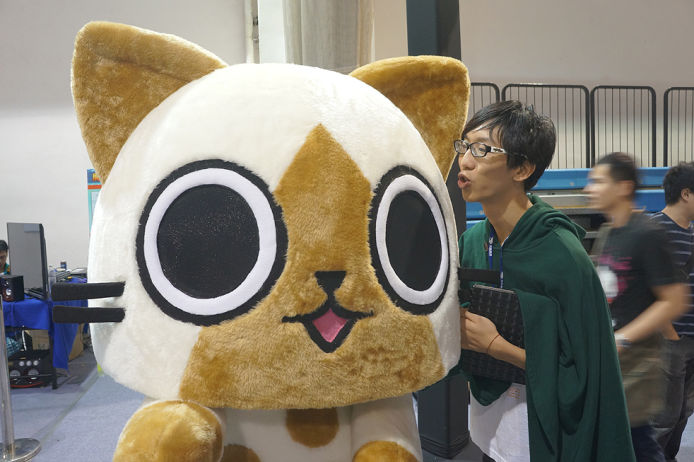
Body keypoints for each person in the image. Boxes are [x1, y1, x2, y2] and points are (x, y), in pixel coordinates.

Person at [454, 101, 634, 461]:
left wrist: (496, 346)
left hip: (539, 425)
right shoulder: (472, 241)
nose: (465, 161)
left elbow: (585, 371)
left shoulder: (563, 254)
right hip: (488, 420)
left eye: (482, 149)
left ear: (522, 168)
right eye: (464, 146)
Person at [585, 152, 688, 462]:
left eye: (599, 181)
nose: (590, 188)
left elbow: (674, 300)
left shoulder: (647, 233)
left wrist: (623, 338)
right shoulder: (608, 232)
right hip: (613, 364)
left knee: (639, 444)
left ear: (623, 187)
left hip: (637, 369)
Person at [649, 162, 694, 462]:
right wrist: (670, 334)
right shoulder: (653, 231)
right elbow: (644, 290)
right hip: (668, 341)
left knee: (683, 412)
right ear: (686, 194)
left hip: (691, 339)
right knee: (662, 418)